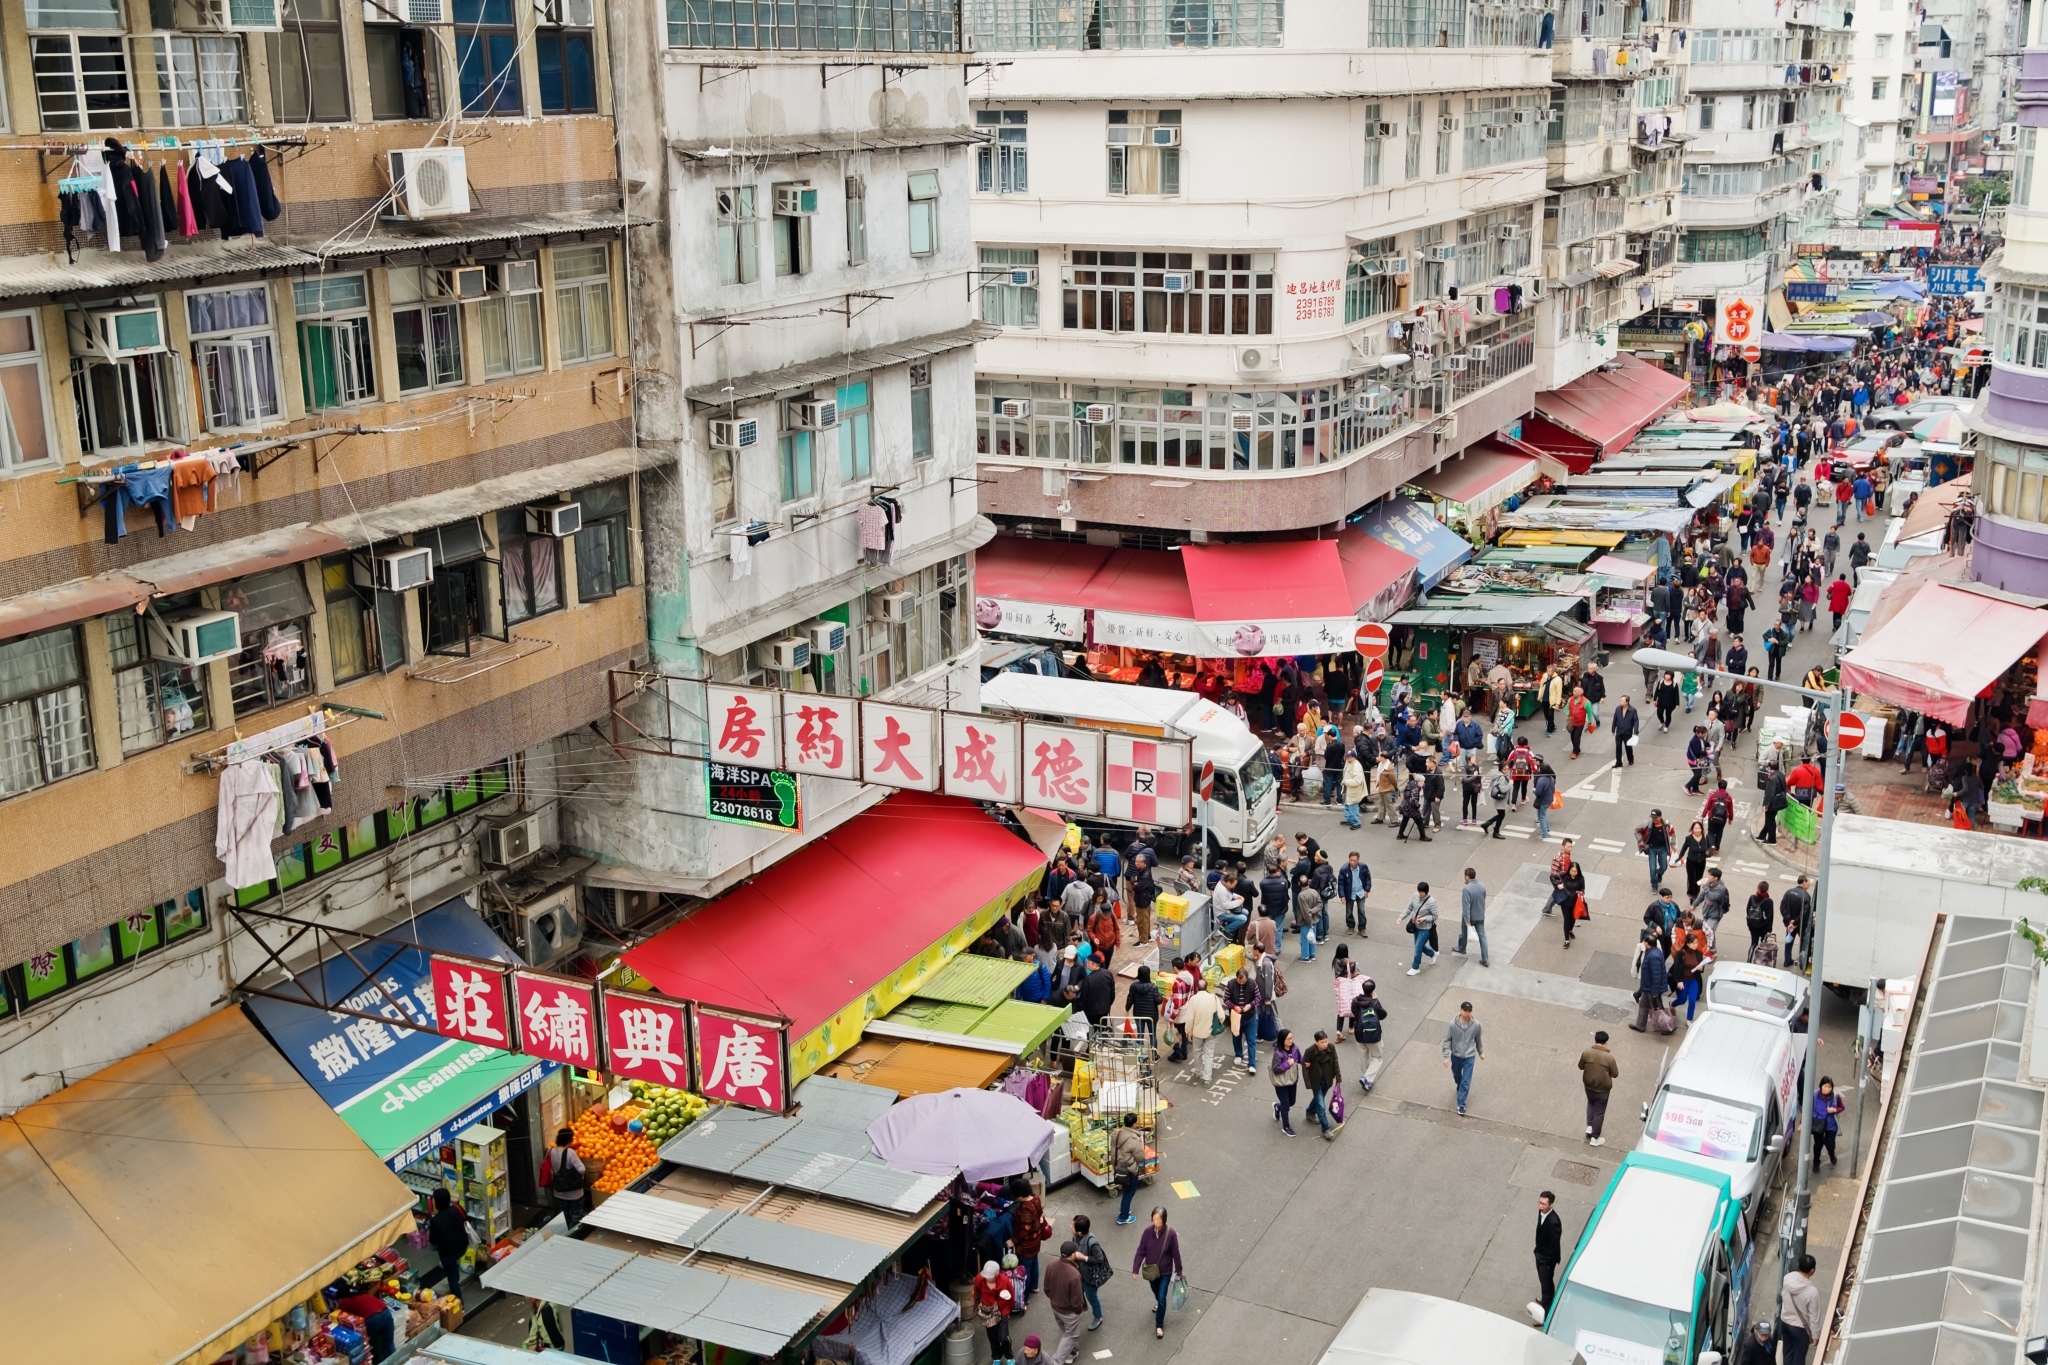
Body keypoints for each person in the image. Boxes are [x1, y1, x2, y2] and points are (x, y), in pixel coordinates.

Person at [1044, 1243, 1089, 1365]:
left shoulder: (1051, 1265)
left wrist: (1053, 1299)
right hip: (1070, 1311)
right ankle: (1056, 1361)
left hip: (1055, 1306)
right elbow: (1077, 1298)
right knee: (1070, 1336)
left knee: (1064, 1330)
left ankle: (1073, 1351)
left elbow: (1046, 1288)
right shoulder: (1074, 1274)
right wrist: (1078, 1310)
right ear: (1073, 1254)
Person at [424, 1187, 473, 1296]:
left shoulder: (435, 1220)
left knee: (452, 1279)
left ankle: (459, 1302)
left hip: (448, 1253)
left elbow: (433, 1240)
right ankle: (455, 1274)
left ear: (436, 1202)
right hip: (463, 1246)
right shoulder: (457, 1209)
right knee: (453, 1269)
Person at [1779, 1253, 1823, 1365]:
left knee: (1787, 1354)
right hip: (1799, 1328)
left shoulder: (1787, 1278)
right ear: (1812, 1270)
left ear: (1798, 1265)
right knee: (1799, 1358)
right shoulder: (1812, 1292)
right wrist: (1815, 1335)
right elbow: (1814, 1316)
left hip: (1785, 1322)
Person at [1008, 1176, 1047, 1302]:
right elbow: (1040, 1213)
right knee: (1034, 1262)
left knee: (1025, 1270)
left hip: (1026, 1245)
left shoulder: (1025, 1209)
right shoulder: (1035, 1198)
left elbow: (1024, 1231)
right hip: (1036, 1240)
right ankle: (1034, 1287)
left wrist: (1012, 1241)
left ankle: (1025, 1298)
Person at [1528, 1192, 1564, 1324]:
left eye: (1543, 1204)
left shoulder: (1554, 1222)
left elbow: (1554, 1246)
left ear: (1551, 1205)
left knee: (1547, 1286)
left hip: (1547, 1260)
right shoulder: (1542, 1211)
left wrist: (1547, 1262)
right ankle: (1545, 1299)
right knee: (1544, 1282)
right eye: (1539, 1202)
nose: (1540, 1206)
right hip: (1540, 1254)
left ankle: (1546, 1317)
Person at [1578, 1030, 1619, 1146]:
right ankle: (1595, 1138)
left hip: (1589, 1085)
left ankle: (1590, 1126)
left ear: (1595, 1040)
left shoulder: (1586, 1053)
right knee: (1599, 1112)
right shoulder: (1609, 1057)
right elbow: (1615, 1074)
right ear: (1606, 1042)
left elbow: (1580, 1066)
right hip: (1603, 1088)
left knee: (1591, 1103)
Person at [1443, 1000, 1484, 1115]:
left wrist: (1480, 1052)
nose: (1467, 1013)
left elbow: (1478, 1039)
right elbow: (1447, 1040)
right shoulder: (1452, 1024)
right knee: (1457, 1076)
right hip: (1456, 1055)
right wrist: (1446, 1056)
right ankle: (1460, 1088)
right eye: (1465, 1010)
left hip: (1469, 1057)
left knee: (1466, 1081)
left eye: (1469, 1011)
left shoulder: (1476, 1025)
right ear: (1460, 1011)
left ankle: (1461, 1104)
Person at [1072, 1214, 1111, 1331]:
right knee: (1077, 1294)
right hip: (1079, 1273)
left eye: (1073, 1225)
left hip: (1089, 1277)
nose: (1070, 1226)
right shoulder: (1075, 1236)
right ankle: (1079, 1311)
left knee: (1092, 1297)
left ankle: (1098, 1317)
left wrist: (1084, 1257)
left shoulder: (1092, 1242)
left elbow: (1100, 1259)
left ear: (1080, 1232)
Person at [543, 1126, 588, 1229]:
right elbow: (581, 1169)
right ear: (569, 1140)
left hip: (559, 1191)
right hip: (574, 1193)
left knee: (563, 1217)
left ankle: (563, 1233)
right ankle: (572, 1235)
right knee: (575, 1217)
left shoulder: (551, 1151)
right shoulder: (570, 1152)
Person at [1302, 1029, 1343, 1139]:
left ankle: (1310, 1112)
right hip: (1316, 1082)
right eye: (1322, 1042)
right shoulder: (1309, 1051)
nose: (1325, 1044)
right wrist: (1308, 1083)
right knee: (1321, 1106)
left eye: (1325, 1041)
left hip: (1327, 1080)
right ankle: (1326, 1129)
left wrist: (1338, 1078)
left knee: (1318, 1099)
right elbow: (1304, 1067)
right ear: (1316, 1042)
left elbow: (1335, 1062)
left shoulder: (1331, 1047)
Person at [335, 1290, 397, 1362]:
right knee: (389, 1344)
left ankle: (378, 1362)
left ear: (340, 1298)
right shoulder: (364, 1294)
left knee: (373, 1345)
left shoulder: (344, 1302)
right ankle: (397, 1362)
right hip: (386, 1313)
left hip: (373, 1319)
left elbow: (338, 1316)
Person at [1181, 973, 1222, 1083]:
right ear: (1207, 987)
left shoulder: (1193, 999)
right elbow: (1221, 1016)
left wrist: (1188, 1032)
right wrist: (1216, 1025)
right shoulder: (1213, 997)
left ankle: (1198, 1070)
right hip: (1210, 1031)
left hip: (1197, 1031)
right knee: (1209, 1054)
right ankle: (1207, 1078)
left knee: (1197, 1052)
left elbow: (1190, 1019)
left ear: (1196, 988)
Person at [976, 1259, 1018, 1365]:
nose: (987, 1278)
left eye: (990, 1276)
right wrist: (977, 1306)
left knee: (1003, 1337)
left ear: (996, 1274)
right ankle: (996, 1357)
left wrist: (1009, 1311)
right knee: (992, 1336)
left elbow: (1011, 1296)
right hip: (988, 1312)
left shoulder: (1004, 1281)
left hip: (1003, 1310)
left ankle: (1009, 1357)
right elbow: (976, 1293)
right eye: (986, 1276)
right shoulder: (979, 1279)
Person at [1350, 977, 1388, 1092]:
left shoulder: (1355, 1001)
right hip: (1374, 1036)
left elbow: (1355, 1014)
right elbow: (1383, 1015)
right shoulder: (1374, 1002)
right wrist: (1377, 1001)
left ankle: (1367, 1079)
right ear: (1373, 990)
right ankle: (1367, 1078)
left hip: (1360, 1035)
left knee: (1363, 1058)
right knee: (1377, 1057)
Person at [1630, 928, 1669, 1033]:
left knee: (1657, 1008)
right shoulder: (1655, 952)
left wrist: (1655, 992)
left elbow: (1656, 976)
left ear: (1647, 943)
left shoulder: (1653, 956)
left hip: (1652, 988)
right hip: (1648, 987)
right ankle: (1640, 1025)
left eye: (1644, 941)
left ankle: (1666, 1027)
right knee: (1643, 1004)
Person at [1224, 965, 1261, 1071]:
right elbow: (1226, 999)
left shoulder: (1252, 983)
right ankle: (1239, 1055)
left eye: (1243, 981)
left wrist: (1250, 1005)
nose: (1241, 983)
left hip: (1250, 1016)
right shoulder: (1230, 984)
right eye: (1239, 981)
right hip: (1236, 1017)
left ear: (1247, 978)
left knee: (1251, 1040)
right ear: (1236, 978)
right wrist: (1234, 1007)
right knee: (1236, 1037)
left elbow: (1258, 997)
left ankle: (1252, 1064)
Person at [1111, 1113, 1146, 1224]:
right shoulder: (1133, 1139)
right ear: (1134, 1124)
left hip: (1119, 1167)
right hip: (1130, 1170)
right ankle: (1123, 1217)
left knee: (1126, 1191)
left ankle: (1124, 1210)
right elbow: (1140, 1157)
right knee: (1129, 1192)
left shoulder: (1116, 1133)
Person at [1269, 1027, 1303, 1136]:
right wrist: (1288, 1063)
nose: (1291, 1041)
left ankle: (1277, 1107)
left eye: (1291, 1038)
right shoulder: (1278, 1053)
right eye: (1288, 1039)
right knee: (1286, 1104)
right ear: (1282, 1040)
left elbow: (1300, 1059)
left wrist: (1307, 1063)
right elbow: (1275, 1069)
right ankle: (1286, 1127)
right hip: (1281, 1083)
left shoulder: (1295, 1049)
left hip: (1292, 1080)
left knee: (1291, 1102)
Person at [1404, 881, 1440, 975]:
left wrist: (1424, 918)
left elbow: (1435, 916)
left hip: (1425, 928)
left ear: (1426, 892)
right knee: (1418, 945)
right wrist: (1401, 917)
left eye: (1421, 892)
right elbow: (1409, 908)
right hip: (1416, 925)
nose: (1419, 894)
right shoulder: (1415, 896)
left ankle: (1415, 967)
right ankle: (1432, 954)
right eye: (1419, 891)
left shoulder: (1432, 902)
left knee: (1418, 947)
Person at [1457, 867, 1490, 967]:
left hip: (1470, 917)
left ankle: (1462, 948)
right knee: (1482, 936)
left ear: (1467, 877)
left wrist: (1467, 922)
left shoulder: (1467, 889)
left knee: (1464, 933)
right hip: (1480, 915)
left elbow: (1466, 907)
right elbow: (1483, 899)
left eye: (1464, 875)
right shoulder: (1481, 886)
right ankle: (1485, 958)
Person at [1812, 1076, 1845, 1170]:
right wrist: (1802, 1123)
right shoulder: (1814, 1095)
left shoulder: (1835, 1096)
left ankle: (1832, 1155)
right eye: (1825, 1086)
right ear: (1821, 1086)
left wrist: (1834, 1110)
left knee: (1830, 1145)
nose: (1827, 1089)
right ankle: (1816, 1163)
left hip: (1831, 1125)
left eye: (1829, 1087)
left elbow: (1841, 1107)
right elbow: (1808, 1108)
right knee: (1818, 1145)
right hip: (1818, 1124)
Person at [1337, 851, 1370, 937]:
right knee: (1348, 911)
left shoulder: (1363, 867)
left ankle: (1362, 928)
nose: (1352, 862)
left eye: (1354, 860)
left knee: (1361, 911)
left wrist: (1367, 890)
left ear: (1358, 860)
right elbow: (1340, 883)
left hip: (1360, 892)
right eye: (1351, 860)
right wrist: (1342, 896)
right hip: (1349, 893)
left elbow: (1368, 878)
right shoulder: (1344, 869)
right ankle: (1350, 926)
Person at [1640, 810, 1673, 889]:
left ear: (1660, 817)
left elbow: (1673, 833)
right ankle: (1654, 886)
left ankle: (1659, 874)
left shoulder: (1666, 824)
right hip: (1652, 849)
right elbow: (1636, 830)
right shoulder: (1648, 824)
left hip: (1663, 849)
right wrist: (1640, 840)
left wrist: (1673, 845)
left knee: (1664, 867)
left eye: (1656, 817)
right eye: (1652, 817)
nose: (1654, 819)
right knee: (1652, 869)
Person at [1678, 820, 1710, 900]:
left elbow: (1709, 847)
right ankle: (1691, 895)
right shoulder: (1689, 838)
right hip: (1691, 862)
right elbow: (1684, 847)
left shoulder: (1706, 838)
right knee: (1692, 879)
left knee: (1699, 879)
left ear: (1702, 829)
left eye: (1699, 828)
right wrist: (1679, 857)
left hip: (1702, 862)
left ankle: (1697, 893)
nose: (1697, 830)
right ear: (1692, 829)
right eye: (1695, 828)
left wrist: (1709, 851)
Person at [1745, 882, 1776, 961]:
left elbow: (1748, 910)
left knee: (1753, 943)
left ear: (1758, 888)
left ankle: (1749, 959)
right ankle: (1760, 960)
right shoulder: (1769, 901)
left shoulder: (1752, 898)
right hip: (1763, 926)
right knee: (1763, 944)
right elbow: (1770, 916)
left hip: (1752, 924)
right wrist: (1769, 929)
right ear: (1767, 890)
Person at [1482, 762, 1512, 838]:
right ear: (1501, 769)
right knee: (1501, 815)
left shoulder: (1497, 774)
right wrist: (1510, 784)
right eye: (1505, 769)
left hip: (1497, 798)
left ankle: (1487, 824)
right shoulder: (1501, 777)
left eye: (1507, 769)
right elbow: (1503, 789)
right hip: (1500, 799)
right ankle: (1495, 832)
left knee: (1501, 815)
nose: (1507, 770)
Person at [1339, 751, 1367, 828]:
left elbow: (1357, 781)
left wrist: (1346, 782)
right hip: (1348, 787)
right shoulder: (1348, 763)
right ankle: (1349, 820)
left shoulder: (1357, 766)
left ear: (1353, 757)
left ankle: (1356, 822)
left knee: (1353, 805)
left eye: (1349, 757)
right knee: (1347, 804)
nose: (1347, 758)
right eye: (1346, 756)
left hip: (1354, 789)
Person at [1611, 695, 1640, 767]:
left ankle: (1630, 759)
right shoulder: (1618, 709)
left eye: (1622, 701)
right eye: (1620, 700)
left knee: (1628, 747)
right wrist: (1613, 729)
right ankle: (1618, 762)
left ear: (1627, 702)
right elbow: (1615, 719)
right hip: (1619, 731)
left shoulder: (1633, 710)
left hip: (1627, 732)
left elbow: (1636, 721)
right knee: (1618, 747)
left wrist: (1635, 732)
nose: (1620, 702)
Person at [1531, 762, 1557, 841]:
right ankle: (1546, 829)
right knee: (1543, 815)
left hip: (1542, 800)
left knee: (1541, 817)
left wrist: (1534, 791)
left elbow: (1538, 792)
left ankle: (1544, 834)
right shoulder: (1551, 778)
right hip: (1549, 799)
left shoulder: (1541, 780)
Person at [1566, 685, 1589, 759]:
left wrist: (1590, 722)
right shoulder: (1570, 699)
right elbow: (1567, 707)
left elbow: (1590, 712)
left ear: (1579, 693)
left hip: (1580, 722)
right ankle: (1577, 749)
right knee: (1572, 736)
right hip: (1571, 721)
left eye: (1575, 691)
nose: (1573, 692)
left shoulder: (1586, 702)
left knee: (1576, 736)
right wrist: (1567, 715)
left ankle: (1575, 752)